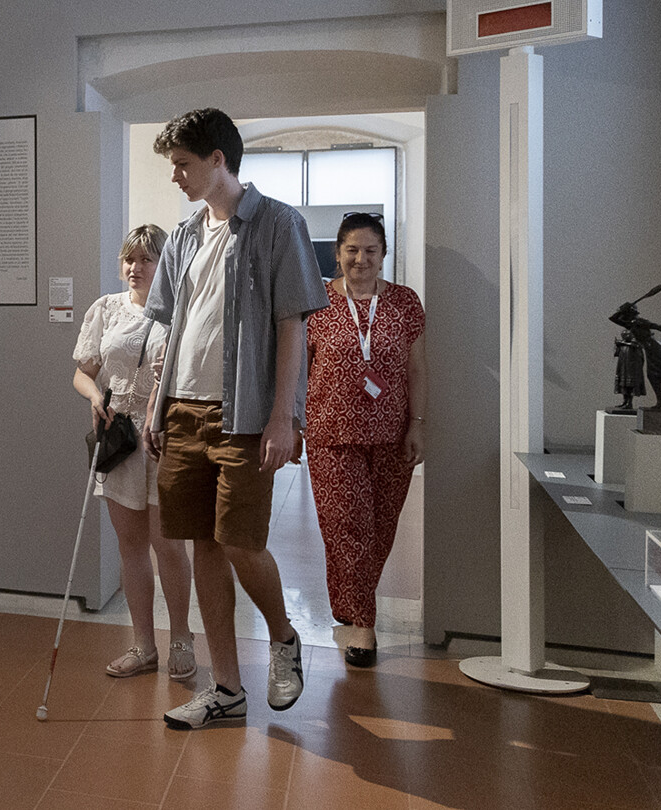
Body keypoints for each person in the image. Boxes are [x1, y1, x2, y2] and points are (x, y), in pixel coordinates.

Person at [140, 108, 329, 730]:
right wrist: (155, 400)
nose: (176, 176)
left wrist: (285, 416)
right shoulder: (186, 234)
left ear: (218, 159)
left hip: (245, 416)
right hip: (184, 411)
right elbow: (172, 326)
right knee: (202, 546)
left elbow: (293, 323)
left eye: (183, 164)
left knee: (241, 542)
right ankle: (226, 688)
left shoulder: (278, 224)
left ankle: (283, 635)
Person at [72, 225, 196, 680]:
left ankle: (181, 637)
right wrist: (93, 395)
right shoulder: (106, 309)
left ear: (164, 263)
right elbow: (84, 372)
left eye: (145, 259)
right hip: (120, 435)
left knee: (169, 545)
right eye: (129, 259)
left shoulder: (179, 310)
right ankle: (143, 643)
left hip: (165, 435)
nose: (134, 268)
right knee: (131, 547)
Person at [303, 213, 425, 668]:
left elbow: (417, 369)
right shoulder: (315, 302)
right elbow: (298, 370)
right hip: (331, 434)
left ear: (383, 255)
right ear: (337, 253)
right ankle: (363, 625)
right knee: (348, 527)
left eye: (371, 250)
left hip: (393, 434)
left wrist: (418, 423)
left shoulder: (405, 303)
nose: (361, 259)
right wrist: (289, 422)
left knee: (379, 530)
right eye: (352, 250)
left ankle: (348, 602)